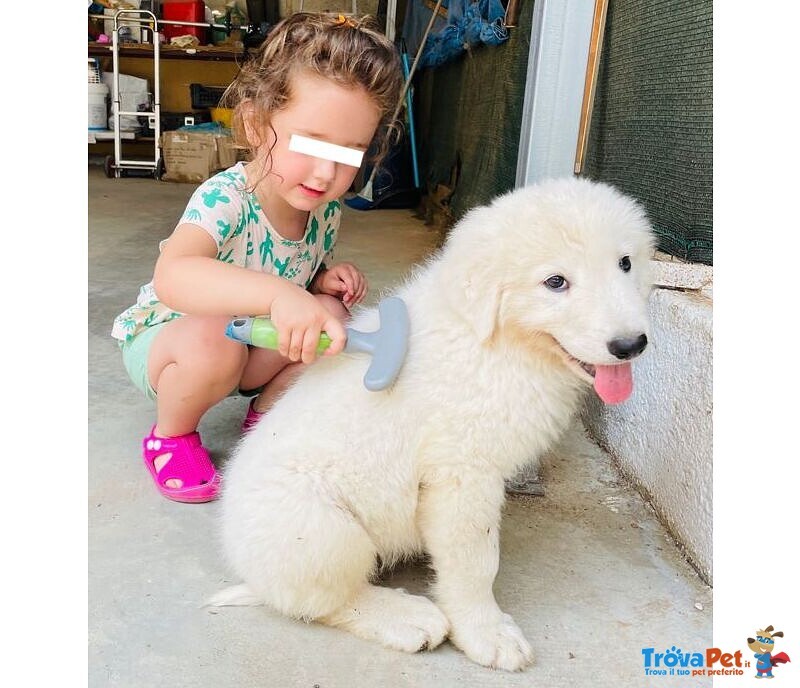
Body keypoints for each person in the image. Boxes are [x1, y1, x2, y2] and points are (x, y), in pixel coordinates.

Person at [111, 13, 403, 503]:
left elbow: (291, 274)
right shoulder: (226, 198)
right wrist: (280, 294)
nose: (326, 171)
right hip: (177, 343)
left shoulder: (322, 209)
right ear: (255, 123)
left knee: (332, 321)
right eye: (310, 144)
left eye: (350, 154)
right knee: (213, 339)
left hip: (247, 344)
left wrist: (319, 284)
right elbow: (174, 276)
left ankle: (268, 416)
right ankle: (172, 434)